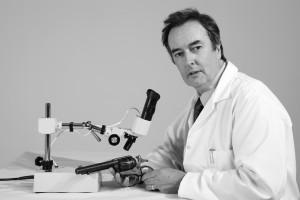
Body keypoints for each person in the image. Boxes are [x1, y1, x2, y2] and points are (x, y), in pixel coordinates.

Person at [112, 8, 300, 200]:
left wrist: (182, 182)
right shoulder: (199, 103)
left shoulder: (251, 99)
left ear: (217, 48)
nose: (189, 60)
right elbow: (170, 153)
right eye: (179, 54)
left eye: (196, 48)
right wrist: (142, 171)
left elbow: (262, 185)